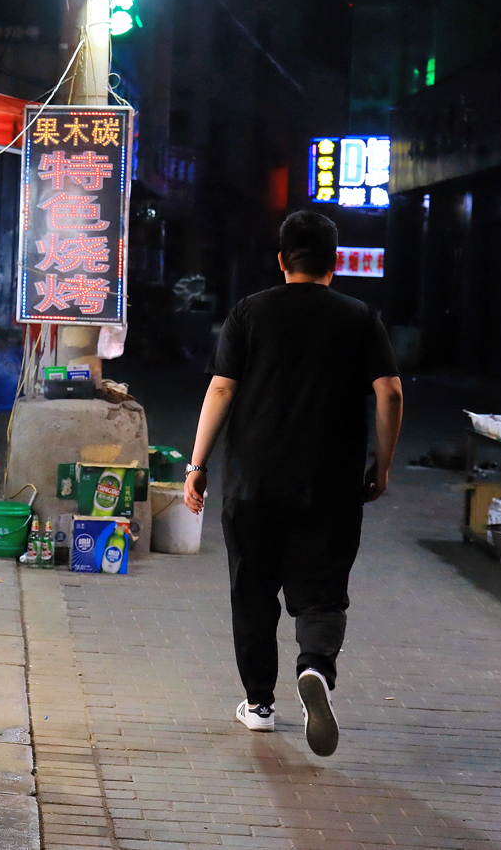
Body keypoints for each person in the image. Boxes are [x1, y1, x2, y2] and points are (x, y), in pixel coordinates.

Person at [183, 208, 403, 758]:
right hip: (330, 486)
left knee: (252, 592)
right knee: (321, 593)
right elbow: (391, 392)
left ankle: (259, 705)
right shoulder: (360, 317)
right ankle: (316, 670)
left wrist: (197, 465)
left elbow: (221, 389)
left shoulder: (249, 312)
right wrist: (382, 465)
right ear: (335, 262)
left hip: (252, 484)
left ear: (282, 259)